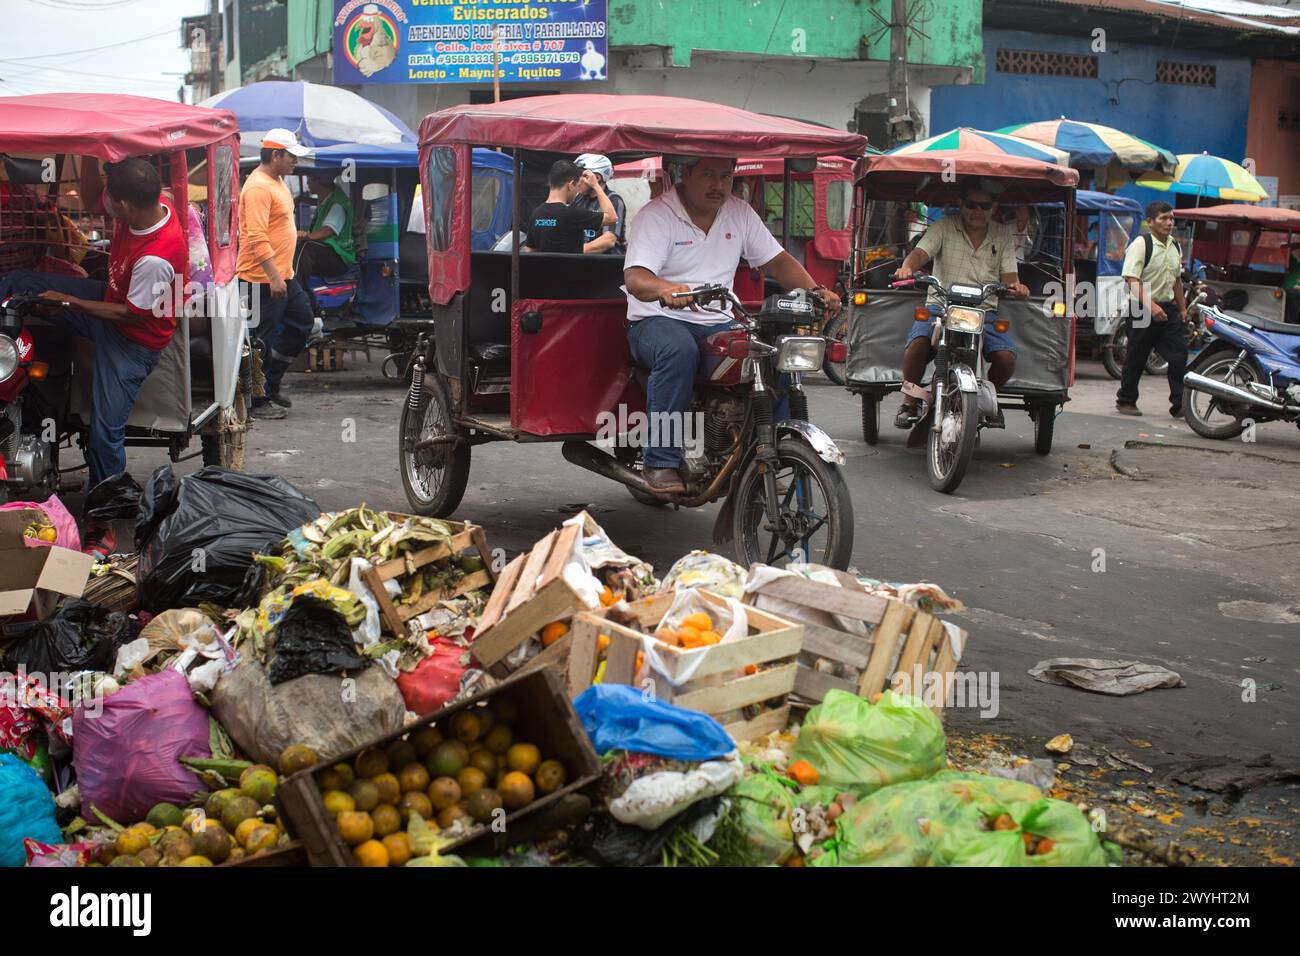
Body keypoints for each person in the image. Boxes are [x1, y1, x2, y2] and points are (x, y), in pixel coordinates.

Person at [623, 156, 841, 495]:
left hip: (717, 320)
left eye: (726, 176)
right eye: (708, 175)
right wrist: (665, 289)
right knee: (679, 350)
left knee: (774, 353)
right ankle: (660, 460)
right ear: (685, 173)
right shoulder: (657, 215)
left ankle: (766, 453)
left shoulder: (739, 212)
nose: (718, 185)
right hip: (656, 319)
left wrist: (815, 291)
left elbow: (778, 261)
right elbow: (636, 279)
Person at [0, 158, 188, 549]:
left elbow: (130, 315)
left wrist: (67, 302)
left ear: (126, 206)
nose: (106, 203)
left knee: (105, 435)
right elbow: (90, 196)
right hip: (110, 303)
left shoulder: (158, 254)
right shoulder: (138, 208)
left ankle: (105, 526)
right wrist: (91, 152)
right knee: (19, 283)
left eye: (111, 198)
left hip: (132, 341)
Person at [891, 180, 1030, 431]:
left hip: (983, 311)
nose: (978, 211)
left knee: (1006, 358)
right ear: (960, 204)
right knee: (918, 344)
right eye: (972, 204)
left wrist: (1016, 287)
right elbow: (921, 253)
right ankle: (909, 399)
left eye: (984, 205)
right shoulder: (944, 226)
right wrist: (907, 266)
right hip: (940, 306)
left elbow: (1010, 277)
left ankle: (989, 398)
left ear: (994, 207)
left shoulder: (1002, 235)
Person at [236, 129, 313, 420]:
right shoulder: (257, 187)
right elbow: (255, 236)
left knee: (303, 322)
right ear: (276, 155)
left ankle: (272, 382)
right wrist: (273, 276)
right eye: (291, 156)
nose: (295, 161)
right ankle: (257, 399)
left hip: (282, 274)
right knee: (261, 341)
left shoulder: (278, 181)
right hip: (261, 278)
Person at [1115, 201, 1188, 417]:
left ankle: (1179, 404)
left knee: (1179, 355)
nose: (1169, 223)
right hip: (1142, 307)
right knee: (1136, 355)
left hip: (1168, 310)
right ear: (1150, 222)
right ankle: (1126, 400)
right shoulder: (1140, 244)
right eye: (1163, 218)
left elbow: (1177, 281)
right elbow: (1132, 279)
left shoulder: (1175, 245)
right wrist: (1152, 306)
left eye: (1171, 218)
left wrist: (1182, 309)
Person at [294, 172, 355, 314]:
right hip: (328, 253)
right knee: (298, 247)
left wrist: (308, 236)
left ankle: (297, 289)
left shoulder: (337, 203)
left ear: (319, 181)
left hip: (340, 257)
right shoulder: (325, 199)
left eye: (309, 179)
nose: (307, 183)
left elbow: (329, 230)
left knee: (307, 247)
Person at [526, 160, 614, 254]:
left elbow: (529, 250)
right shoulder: (572, 214)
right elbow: (612, 218)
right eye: (577, 186)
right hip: (570, 268)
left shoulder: (536, 214)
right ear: (571, 185)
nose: (577, 191)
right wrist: (596, 185)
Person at [570, 154, 627, 254]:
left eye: (581, 175)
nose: (576, 180)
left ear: (596, 178)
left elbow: (608, 241)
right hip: (583, 261)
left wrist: (574, 251)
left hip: (607, 264)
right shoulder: (579, 199)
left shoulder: (614, 200)